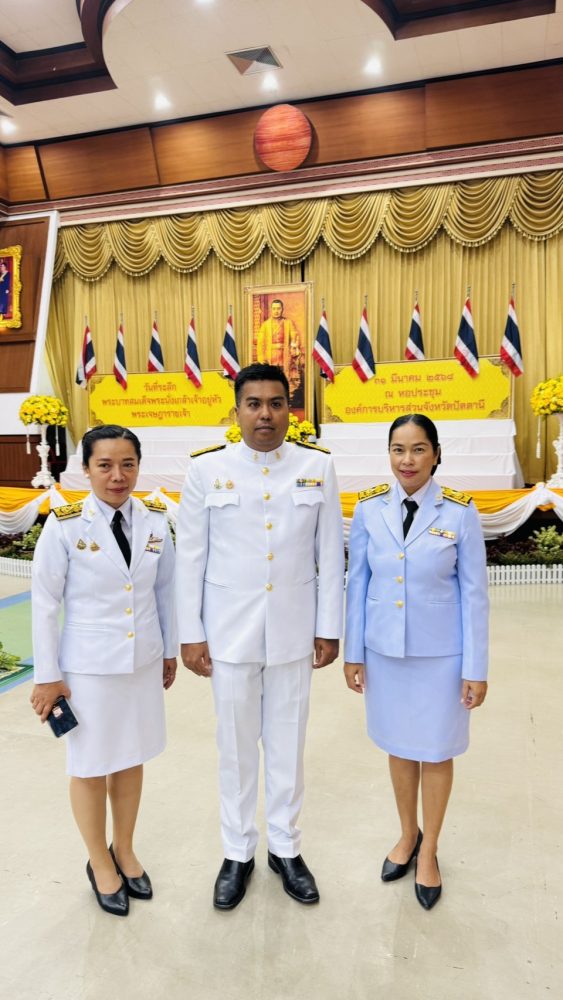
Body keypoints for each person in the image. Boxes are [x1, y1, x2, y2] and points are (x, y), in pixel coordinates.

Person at [176, 362, 344, 910]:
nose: (265, 414)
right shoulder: (206, 469)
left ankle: (286, 849)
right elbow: (191, 557)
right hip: (228, 634)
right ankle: (237, 852)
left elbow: (329, 554)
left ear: (290, 410)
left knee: (288, 744)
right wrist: (191, 633)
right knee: (235, 747)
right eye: (254, 404)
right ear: (237, 410)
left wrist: (329, 627)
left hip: (294, 630)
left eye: (276, 403)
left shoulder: (317, 466)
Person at [30, 425, 177, 917]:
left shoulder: (155, 520)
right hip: (88, 669)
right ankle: (99, 861)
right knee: (90, 765)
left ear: (138, 466)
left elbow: (165, 591)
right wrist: (47, 675)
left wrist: (169, 651)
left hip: (141, 662)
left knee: (131, 756)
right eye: (105, 465)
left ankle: (125, 848)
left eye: (127, 464)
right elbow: (44, 603)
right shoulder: (65, 525)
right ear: (86, 469)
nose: (118, 475)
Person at [343, 413, 488, 910]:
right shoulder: (369, 509)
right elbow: (357, 584)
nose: (407, 460)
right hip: (385, 653)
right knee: (400, 748)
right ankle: (407, 834)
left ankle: (430, 850)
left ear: (436, 454)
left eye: (418, 449)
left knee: (437, 751)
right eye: (398, 449)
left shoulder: (460, 512)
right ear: (389, 454)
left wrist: (476, 668)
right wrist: (354, 653)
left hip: (442, 655)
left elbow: (475, 595)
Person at [256, 299, 304, 408]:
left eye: (278, 308)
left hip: (284, 355)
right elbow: (260, 343)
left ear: (282, 309)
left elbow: (295, 336)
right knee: (270, 379)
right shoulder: (265, 325)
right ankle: (271, 402)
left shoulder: (288, 323)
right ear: (271, 310)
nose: (276, 311)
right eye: (274, 308)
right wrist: (261, 357)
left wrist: (294, 346)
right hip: (270, 356)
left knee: (285, 378)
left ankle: (285, 401)